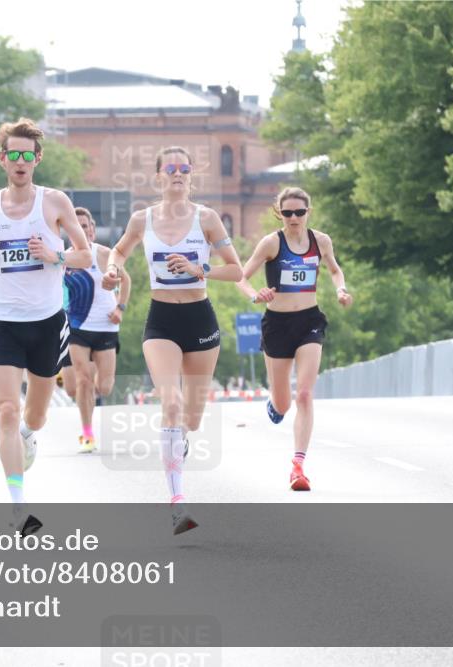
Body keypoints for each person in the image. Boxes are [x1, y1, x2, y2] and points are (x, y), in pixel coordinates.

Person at [103, 146, 242, 534]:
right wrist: (113, 271)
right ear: (159, 175)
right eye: (171, 169)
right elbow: (118, 252)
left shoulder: (207, 218)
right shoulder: (141, 219)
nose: (178, 174)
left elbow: (236, 270)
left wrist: (202, 269)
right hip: (161, 319)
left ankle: (179, 439)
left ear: (191, 175)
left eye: (184, 168)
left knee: (192, 420)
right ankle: (178, 501)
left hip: (199, 318)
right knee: (172, 402)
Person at [0, 117, 91, 536]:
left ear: (36, 159)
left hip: (47, 322)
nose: (20, 162)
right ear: (2, 159)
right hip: (2, 320)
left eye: (27, 155)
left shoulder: (54, 201)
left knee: (34, 415)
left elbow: (86, 256)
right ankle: (19, 508)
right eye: (13, 155)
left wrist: (54, 253)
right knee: (4, 409)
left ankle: (28, 433)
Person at [236, 186, 353, 491]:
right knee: (284, 403)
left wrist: (340, 290)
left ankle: (298, 465)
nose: (293, 218)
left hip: (309, 322)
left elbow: (335, 271)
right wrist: (254, 295)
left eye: (299, 212)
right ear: (280, 214)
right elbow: (242, 276)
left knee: (304, 394)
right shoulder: (271, 243)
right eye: (287, 212)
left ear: (308, 213)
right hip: (277, 324)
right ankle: (275, 404)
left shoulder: (321, 241)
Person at [64, 206, 131, 453]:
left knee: (104, 387)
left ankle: (88, 390)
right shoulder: (64, 258)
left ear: (92, 230)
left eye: (85, 226)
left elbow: (127, 281)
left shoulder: (104, 254)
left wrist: (120, 309)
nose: (81, 230)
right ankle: (87, 433)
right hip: (76, 327)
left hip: (105, 326)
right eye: (75, 227)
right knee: (80, 383)